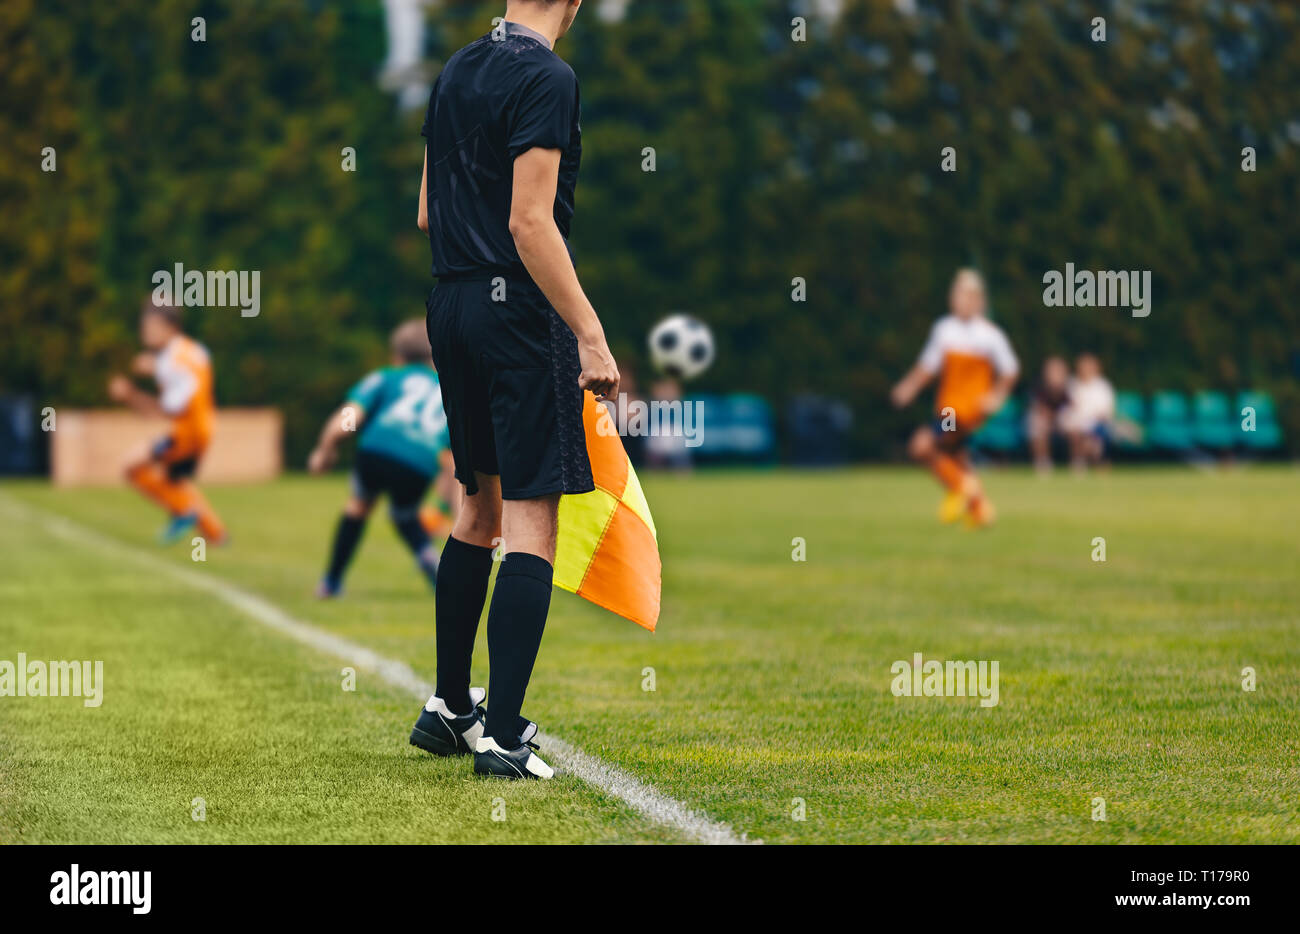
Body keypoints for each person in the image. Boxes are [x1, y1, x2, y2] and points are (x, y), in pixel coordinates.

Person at [410, 0, 619, 780]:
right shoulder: (549, 76)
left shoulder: (455, 68)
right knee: (534, 517)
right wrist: (591, 333)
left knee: (478, 507)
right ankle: (500, 734)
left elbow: (429, 212)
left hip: (451, 303)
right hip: (517, 313)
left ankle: (448, 708)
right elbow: (531, 224)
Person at [307, 319, 456, 597]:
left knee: (359, 505)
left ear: (397, 356)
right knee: (404, 514)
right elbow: (452, 458)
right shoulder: (448, 391)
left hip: (377, 450)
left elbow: (351, 416)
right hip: (419, 462)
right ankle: (429, 560)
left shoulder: (387, 377)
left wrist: (327, 447)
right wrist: (444, 504)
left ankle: (331, 581)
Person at [890, 268, 1019, 527]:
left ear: (980, 301)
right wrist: (909, 386)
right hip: (947, 409)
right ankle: (977, 506)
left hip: (967, 411)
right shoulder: (944, 329)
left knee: (925, 445)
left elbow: (1010, 370)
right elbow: (928, 367)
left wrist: (996, 396)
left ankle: (962, 487)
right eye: (960, 294)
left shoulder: (990, 335)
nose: (964, 300)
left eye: (970, 295)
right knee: (948, 454)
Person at [108, 300, 227, 545]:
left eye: (150, 327)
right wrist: (156, 367)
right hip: (201, 429)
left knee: (131, 465)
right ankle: (216, 534)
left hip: (188, 434)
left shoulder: (172, 362)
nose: (145, 333)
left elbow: (166, 409)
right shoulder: (191, 350)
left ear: (169, 327)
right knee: (175, 483)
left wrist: (130, 395)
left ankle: (185, 512)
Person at [1062, 353, 1115, 470]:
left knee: (1094, 442)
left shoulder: (1103, 386)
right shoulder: (1071, 384)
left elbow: (1106, 412)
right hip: (1075, 423)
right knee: (1075, 431)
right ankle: (1078, 463)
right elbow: (1067, 409)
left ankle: (1096, 460)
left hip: (1096, 424)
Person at [1026, 355, 1072, 473]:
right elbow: (1037, 407)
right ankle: (1042, 463)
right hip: (1044, 418)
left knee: (1076, 426)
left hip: (1063, 418)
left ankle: (1077, 462)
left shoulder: (1070, 385)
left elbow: (1071, 406)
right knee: (1037, 426)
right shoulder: (1038, 385)